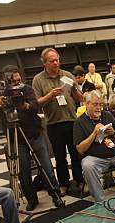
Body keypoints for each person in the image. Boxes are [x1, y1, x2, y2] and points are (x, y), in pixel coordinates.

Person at [0, 65, 63, 211]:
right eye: (13, 78)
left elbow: (35, 106)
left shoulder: (27, 89)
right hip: (15, 138)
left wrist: (24, 106)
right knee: (23, 170)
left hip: (34, 134)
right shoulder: (0, 92)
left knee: (46, 167)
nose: (16, 81)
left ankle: (55, 194)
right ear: (7, 78)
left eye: (18, 77)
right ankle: (31, 198)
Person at [32, 48, 86, 196]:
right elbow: (37, 103)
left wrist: (74, 90)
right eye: (52, 61)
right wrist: (50, 95)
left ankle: (80, 180)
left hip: (72, 120)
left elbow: (80, 99)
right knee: (60, 156)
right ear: (45, 63)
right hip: (53, 123)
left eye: (57, 60)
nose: (56, 63)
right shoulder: (38, 79)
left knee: (76, 154)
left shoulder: (67, 75)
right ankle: (64, 184)